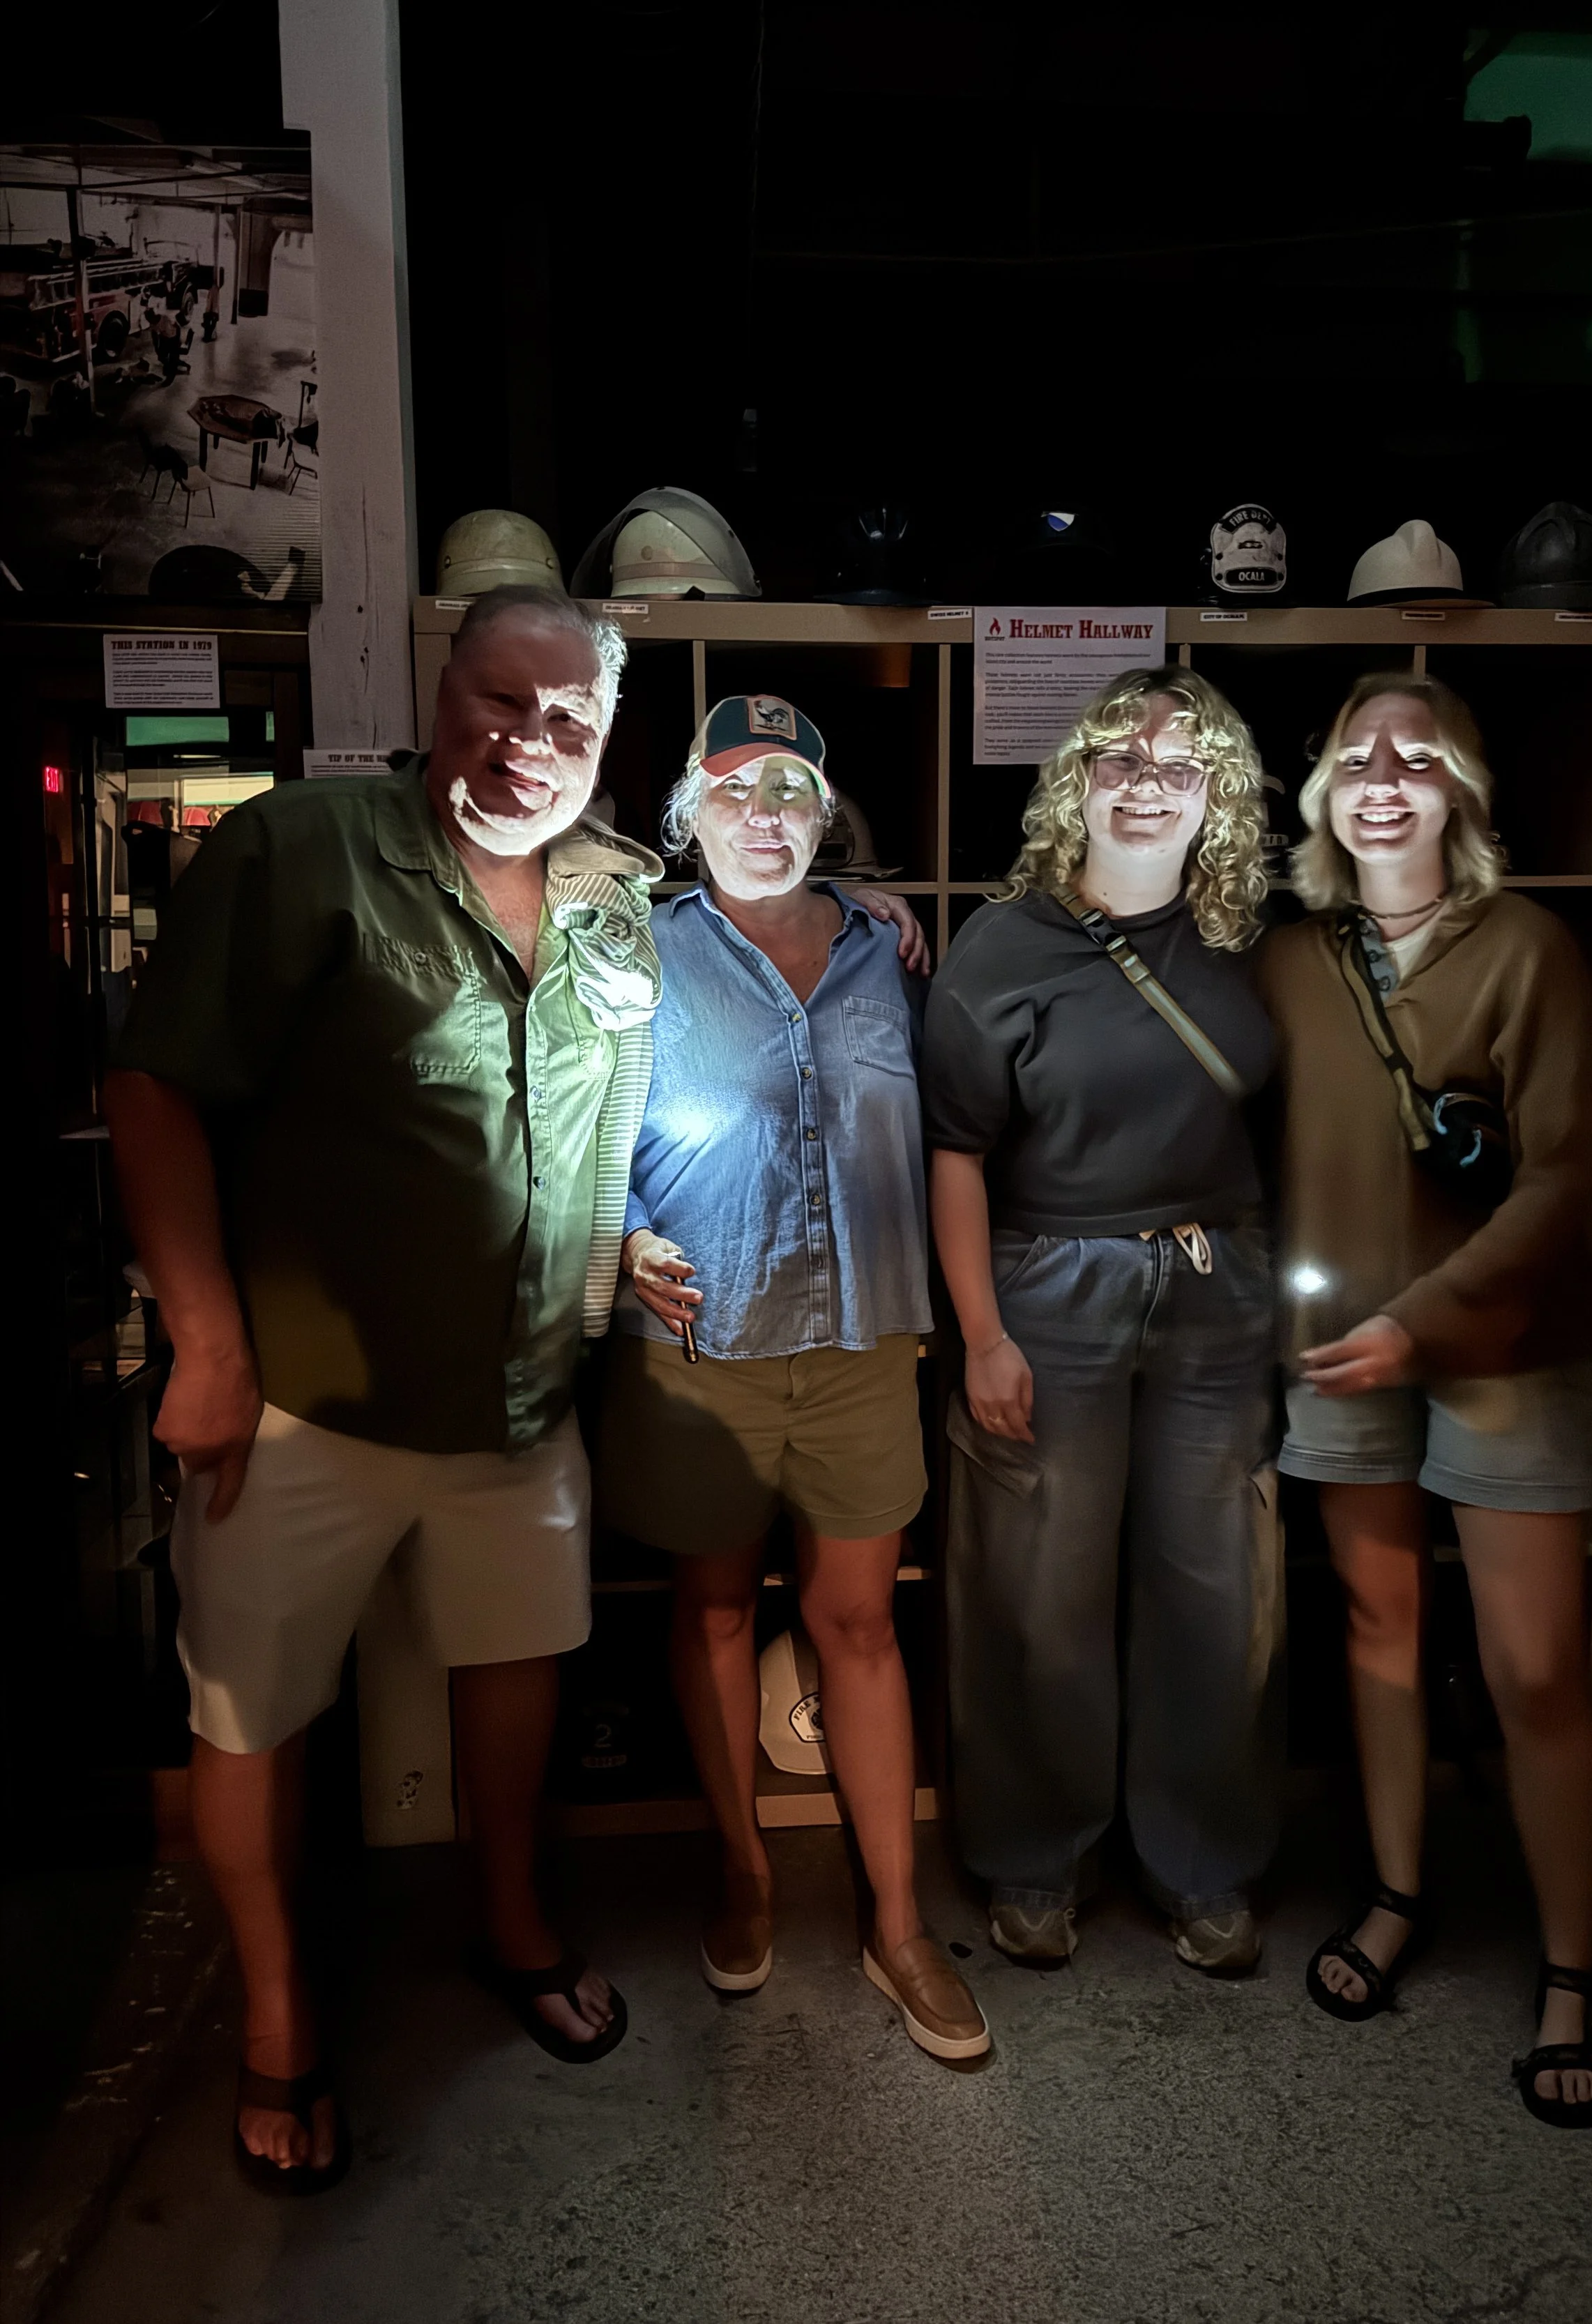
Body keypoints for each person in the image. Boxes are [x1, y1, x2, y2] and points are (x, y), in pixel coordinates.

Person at [105, 588, 662, 2192]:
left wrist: (862, 919)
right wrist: (207, 1346)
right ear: (441, 692)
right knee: (253, 1706)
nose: (529, 742)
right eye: (499, 700)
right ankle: (280, 2016)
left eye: (567, 718)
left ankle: (511, 1919)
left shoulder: (614, 898)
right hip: (303, 1403)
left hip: (521, 1394)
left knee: (516, 1660)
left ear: (603, 738)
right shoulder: (299, 850)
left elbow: (614, 1106)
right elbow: (152, 1087)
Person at [596, 694, 989, 2064]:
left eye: (790, 793)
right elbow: (574, 1125)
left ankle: (898, 1923)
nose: (762, 816)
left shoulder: (890, 952)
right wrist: (620, 1237)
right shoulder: (636, 946)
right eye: (733, 789)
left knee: (860, 1623)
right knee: (711, 1607)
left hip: (864, 1341)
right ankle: (746, 1870)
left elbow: (948, 1134)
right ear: (686, 813)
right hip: (700, 1341)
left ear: (826, 819)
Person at [1256, 671, 1592, 2129]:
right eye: (1357, 759)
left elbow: (1564, 1175)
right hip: (1344, 1345)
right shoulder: (1289, 961)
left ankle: (1573, 1967)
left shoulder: (1527, 946)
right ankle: (1398, 1892)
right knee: (1379, 1628)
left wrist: (1425, 1324)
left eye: (1416, 758)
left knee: (1535, 1667)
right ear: (1324, 798)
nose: (1383, 779)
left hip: (1503, 1349)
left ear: (1461, 790)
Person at [924, 666, 1280, 1975]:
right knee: (1040, 1585)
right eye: (1120, 760)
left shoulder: (1248, 940)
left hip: (1217, 1286)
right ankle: (1036, 1857)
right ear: (1075, 780)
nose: (1147, 785)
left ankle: (1203, 1859)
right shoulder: (1002, 946)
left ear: (1217, 798)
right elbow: (954, 1151)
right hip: (1050, 1285)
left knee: (1214, 1583)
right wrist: (982, 1336)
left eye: (1180, 768)